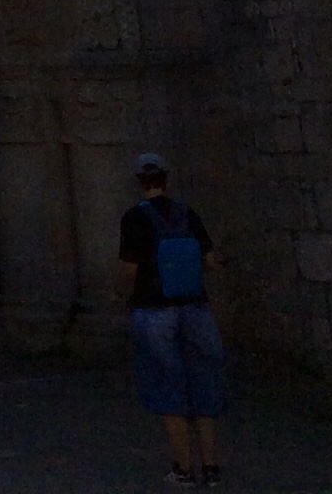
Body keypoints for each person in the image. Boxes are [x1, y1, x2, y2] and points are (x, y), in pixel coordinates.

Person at [118, 151, 226, 485]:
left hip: (154, 309)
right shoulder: (187, 213)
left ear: (139, 181)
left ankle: (182, 467)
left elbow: (129, 269)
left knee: (168, 383)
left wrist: (122, 295)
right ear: (166, 178)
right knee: (204, 381)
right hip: (195, 306)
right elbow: (211, 261)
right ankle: (211, 467)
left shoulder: (134, 218)